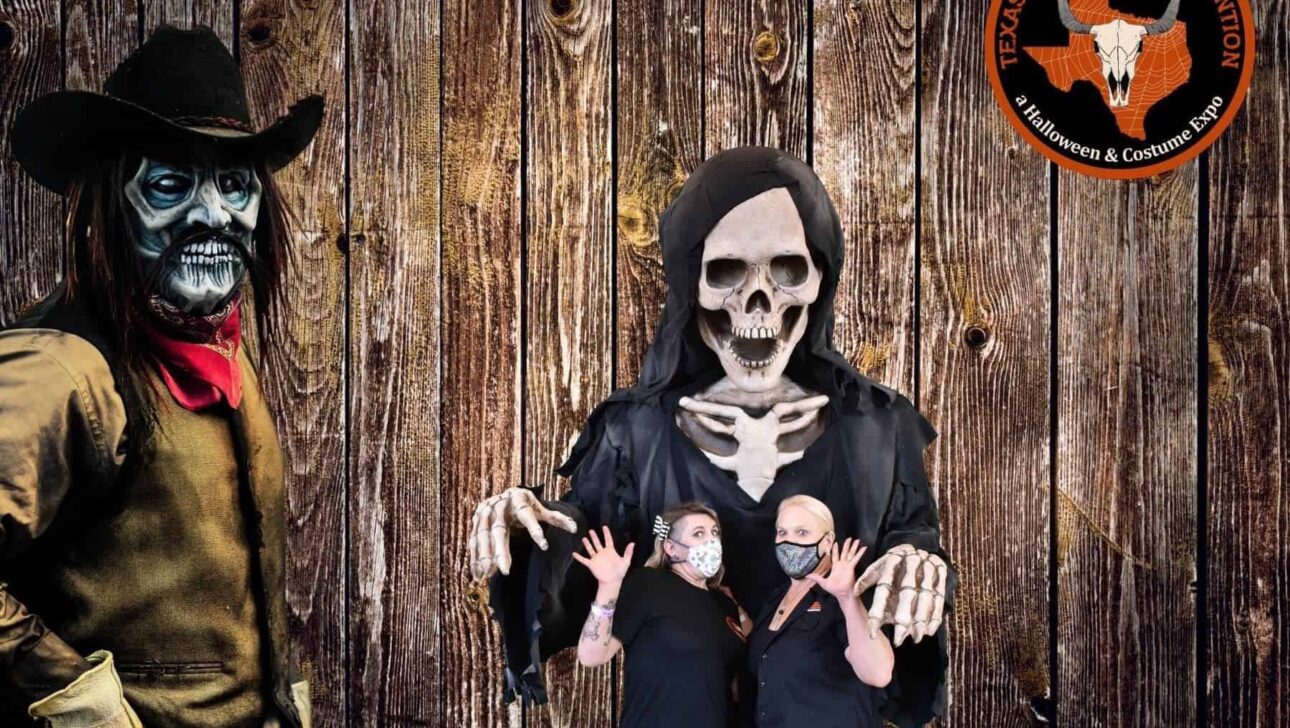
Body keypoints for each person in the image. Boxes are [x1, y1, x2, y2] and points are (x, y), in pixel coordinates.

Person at [0, 24, 322, 727]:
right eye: (172, 184)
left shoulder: (218, 350)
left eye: (236, 186)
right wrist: (80, 704)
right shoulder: (62, 370)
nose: (213, 214)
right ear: (111, 203)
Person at [572, 501, 751, 727]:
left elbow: (751, 664)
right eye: (698, 533)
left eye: (715, 533)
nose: (711, 541)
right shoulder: (648, 584)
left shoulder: (723, 603)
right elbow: (591, 656)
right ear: (671, 548)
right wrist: (609, 585)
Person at [746, 495, 893, 728]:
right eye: (782, 533)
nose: (789, 542)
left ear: (827, 541)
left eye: (801, 532)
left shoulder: (848, 596)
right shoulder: (775, 599)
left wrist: (846, 597)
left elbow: (878, 673)